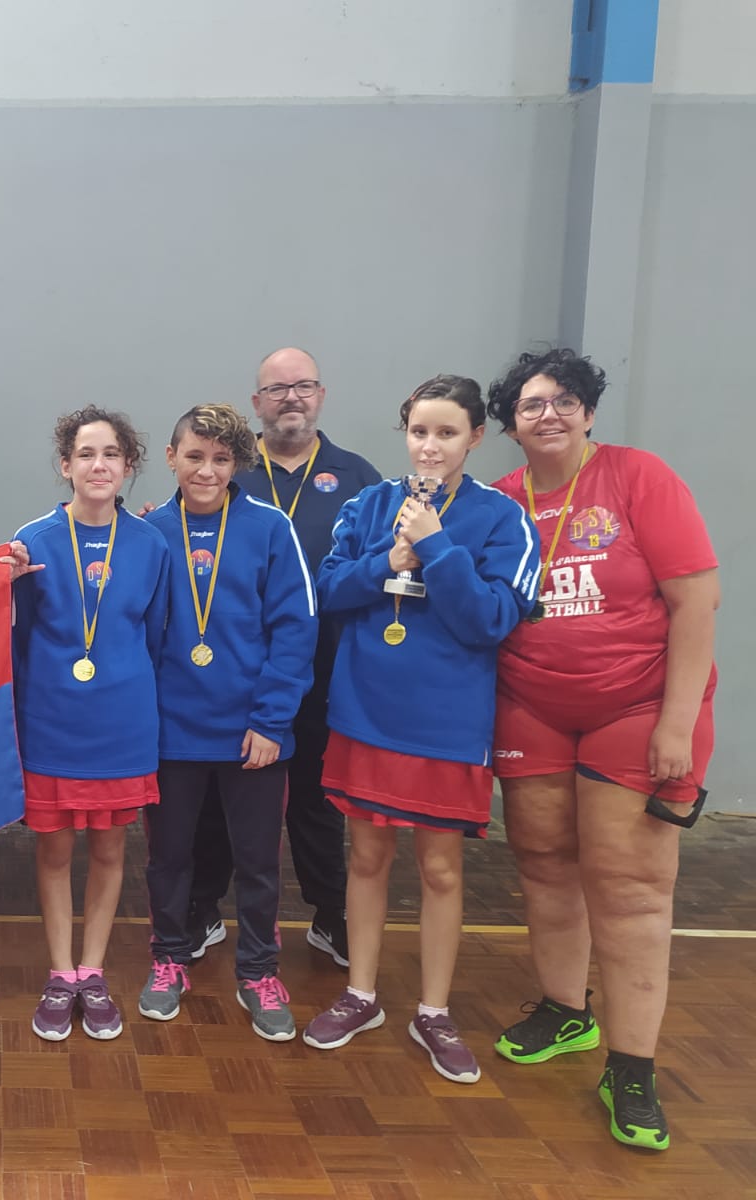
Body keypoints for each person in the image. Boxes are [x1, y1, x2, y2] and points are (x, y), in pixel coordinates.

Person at [485, 349, 717, 1151]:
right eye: (530, 404)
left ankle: (633, 1065)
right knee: (545, 861)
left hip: (637, 702)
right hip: (531, 705)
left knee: (630, 889)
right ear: (509, 423)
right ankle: (564, 1009)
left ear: (587, 411)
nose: (548, 414)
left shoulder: (637, 476)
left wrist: (677, 724)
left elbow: (697, 600)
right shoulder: (500, 499)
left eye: (564, 401)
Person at [302, 375, 538, 1085]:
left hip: (446, 723)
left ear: (475, 437)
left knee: (439, 869)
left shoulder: (502, 517)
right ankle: (361, 993)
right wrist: (388, 561)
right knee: (366, 859)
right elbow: (327, 592)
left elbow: (492, 620)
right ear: (405, 433)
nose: (430, 446)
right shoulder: (370, 504)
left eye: (446, 433)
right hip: (366, 710)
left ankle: (433, 1010)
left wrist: (435, 546)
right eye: (419, 431)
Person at [189, 348, 381, 967]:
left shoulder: (358, 477)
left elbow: (379, 572)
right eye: (276, 390)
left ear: (321, 395)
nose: (290, 399)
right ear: (257, 404)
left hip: (327, 671)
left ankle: (331, 914)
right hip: (238, 672)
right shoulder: (229, 474)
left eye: (302, 387)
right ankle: (202, 909)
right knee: (223, 797)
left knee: (316, 802)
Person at [140, 404, 317, 1037]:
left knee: (258, 861)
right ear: (171, 457)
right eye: (194, 456)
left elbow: (295, 629)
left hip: (252, 733)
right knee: (168, 857)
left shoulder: (270, 529)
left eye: (219, 459)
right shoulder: (148, 531)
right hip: (170, 732)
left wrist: (272, 721)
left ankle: (259, 971)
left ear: (237, 462)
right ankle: (169, 958)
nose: (206, 471)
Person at [12, 407, 170, 1043]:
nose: (98, 465)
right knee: (53, 851)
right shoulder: (34, 541)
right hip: (52, 720)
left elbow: (155, 638)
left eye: (111, 454)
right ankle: (58, 973)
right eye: (85, 453)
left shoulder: (151, 544)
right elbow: (13, 638)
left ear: (128, 467)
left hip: (122, 725)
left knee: (110, 850)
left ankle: (93, 971)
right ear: (65, 465)